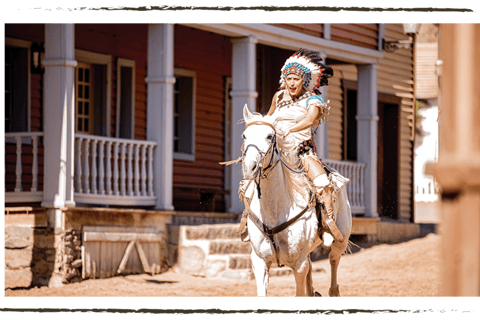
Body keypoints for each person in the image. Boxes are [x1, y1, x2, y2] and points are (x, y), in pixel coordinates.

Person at [239, 48, 347, 243]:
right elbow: (269, 118)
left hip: (302, 152)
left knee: (323, 184)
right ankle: (248, 220)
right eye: (288, 79)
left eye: (295, 79)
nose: (291, 83)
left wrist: (291, 130)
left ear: (304, 80)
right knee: (249, 180)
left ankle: (327, 223)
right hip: (277, 150)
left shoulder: (313, 100)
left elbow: (309, 120)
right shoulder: (278, 97)